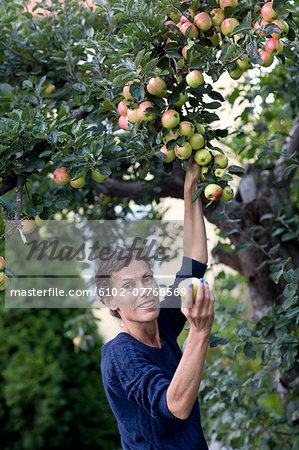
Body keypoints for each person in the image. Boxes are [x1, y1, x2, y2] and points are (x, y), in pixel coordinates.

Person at [97, 154, 215, 449]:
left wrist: (191, 188)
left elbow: (194, 263)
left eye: (147, 278)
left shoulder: (160, 321)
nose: (144, 291)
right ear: (111, 300)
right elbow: (175, 404)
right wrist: (199, 332)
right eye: (128, 286)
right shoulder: (121, 355)